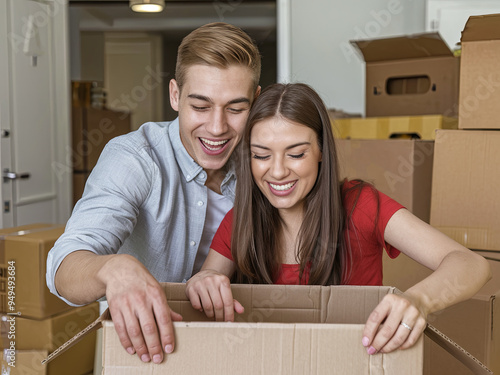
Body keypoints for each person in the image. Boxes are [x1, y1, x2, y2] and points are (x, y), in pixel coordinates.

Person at [185, 82, 491, 355]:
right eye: (261, 155)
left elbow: (471, 264)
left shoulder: (361, 205)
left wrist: (419, 300)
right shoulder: (241, 220)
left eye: (296, 154)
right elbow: (208, 278)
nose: (277, 171)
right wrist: (203, 281)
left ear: (320, 151)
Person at [46, 22, 261, 364]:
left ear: (256, 101)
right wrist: (115, 268)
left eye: (236, 109)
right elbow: (63, 268)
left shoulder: (263, 162)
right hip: (144, 351)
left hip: (235, 345)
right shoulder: (134, 158)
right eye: (201, 106)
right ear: (175, 95)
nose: (218, 127)